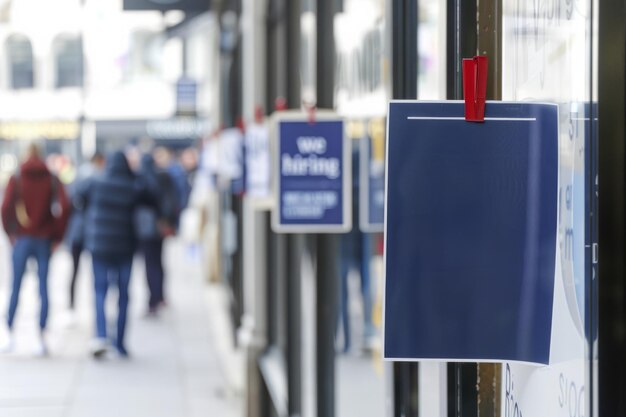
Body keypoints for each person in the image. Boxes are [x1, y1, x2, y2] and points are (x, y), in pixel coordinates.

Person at [76, 150, 154, 358]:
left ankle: (101, 335)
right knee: (123, 295)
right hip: (124, 247)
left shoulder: (95, 182)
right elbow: (151, 196)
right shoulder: (132, 187)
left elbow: (77, 197)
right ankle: (119, 342)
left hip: (99, 246)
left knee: (100, 291)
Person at [0, 144, 70, 355]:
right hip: (44, 238)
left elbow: (5, 208)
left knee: (16, 286)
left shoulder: (18, 177)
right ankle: (41, 336)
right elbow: (65, 207)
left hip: (22, 238)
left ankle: (8, 332)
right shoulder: (52, 177)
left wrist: (11, 232)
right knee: (43, 288)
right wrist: (57, 235)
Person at [135, 153, 179, 316]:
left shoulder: (141, 180)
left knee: (150, 264)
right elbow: (171, 200)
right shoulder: (162, 176)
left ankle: (153, 300)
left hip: (146, 228)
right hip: (159, 226)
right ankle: (159, 296)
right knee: (158, 262)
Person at [64, 152, 105, 314]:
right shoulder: (98, 178)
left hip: (77, 231)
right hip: (91, 231)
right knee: (96, 272)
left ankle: (72, 305)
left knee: (75, 270)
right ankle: (96, 309)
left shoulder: (78, 177)